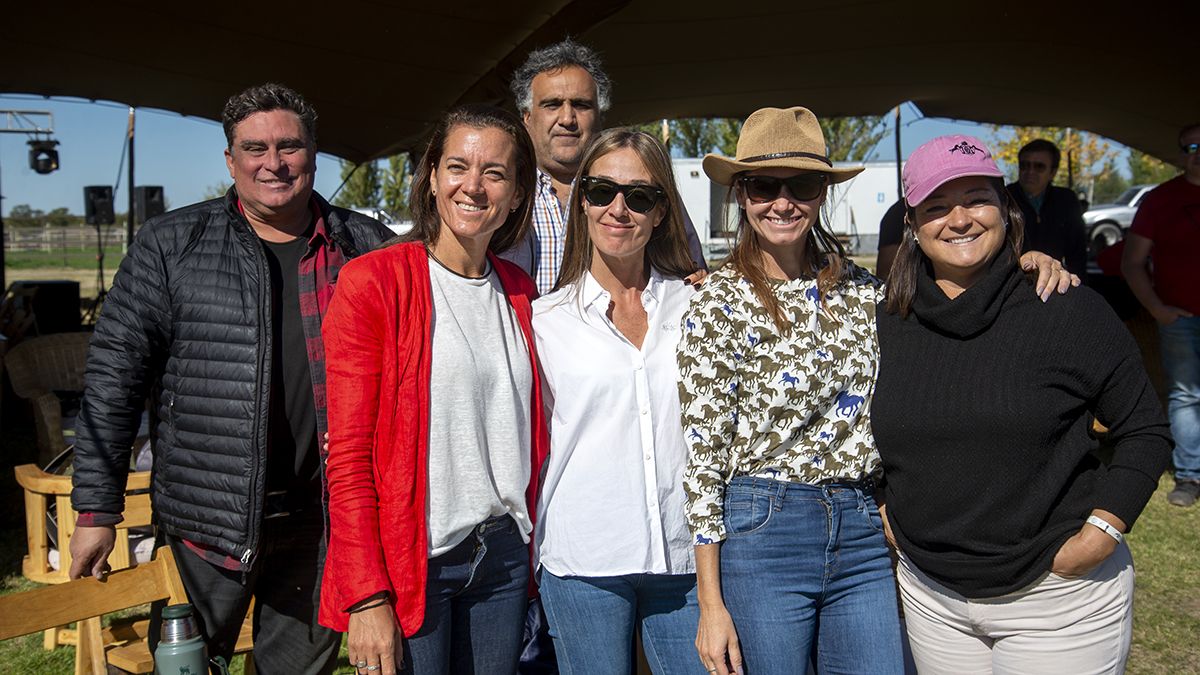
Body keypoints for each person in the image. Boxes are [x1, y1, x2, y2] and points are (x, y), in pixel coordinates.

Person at [678, 109, 1079, 675]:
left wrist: (1022, 265)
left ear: (823, 193)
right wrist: (710, 603)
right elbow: (702, 459)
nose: (783, 201)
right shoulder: (715, 300)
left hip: (865, 527)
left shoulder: (867, 292)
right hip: (762, 527)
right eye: (765, 185)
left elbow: (955, 315)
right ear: (741, 194)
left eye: (804, 184)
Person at [68, 83, 392, 671]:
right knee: (188, 663)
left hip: (321, 521)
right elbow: (114, 381)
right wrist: (96, 512)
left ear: (314, 152)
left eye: (289, 146)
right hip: (205, 522)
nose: (274, 163)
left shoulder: (369, 250)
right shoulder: (172, 244)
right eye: (255, 148)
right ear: (230, 160)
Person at [874, 135, 1172, 674]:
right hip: (931, 597)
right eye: (937, 207)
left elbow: (1144, 428)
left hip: (1056, 601)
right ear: (912, 226)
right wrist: (887, 511)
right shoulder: (887, 320)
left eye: (977, 199)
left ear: (1006, 210)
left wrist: (1101, 533)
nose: (959, 220)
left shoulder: (1064, 306)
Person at [318, 104, 548, 675]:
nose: (473, 186)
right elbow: (346, 459)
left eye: (494, 172)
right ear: (432, 178)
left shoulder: (520, 292)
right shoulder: (374, 282)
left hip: (503, 557)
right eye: (457, 167)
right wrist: (366, 594)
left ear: (517, 194)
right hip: (414, 561)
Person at [531, 128, 705, 675]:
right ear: (581, 201)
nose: (618, 209)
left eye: (641, 197)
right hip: (583, 557)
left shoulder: (699, 307)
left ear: (661, 213)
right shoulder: (543, 321)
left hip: (684, 555)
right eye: (602, 191)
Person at [504, 38, 706, 295]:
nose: (567, 119)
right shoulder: (501, 191)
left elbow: (690, 271)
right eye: (552, 104)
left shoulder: (646, 194)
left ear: (601, 116)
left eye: (581, 104)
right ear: (527, 117)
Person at [1121, 122, 1200, 507]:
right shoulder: (1160, 199)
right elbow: (1131, 261)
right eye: (1191, 146)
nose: (1197, 153)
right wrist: (1157, 308)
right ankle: (1189, 476)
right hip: (1180, 318)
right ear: (1181, 153)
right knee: (1186, 395)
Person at [1008, 138, 1088, 278]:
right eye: (1024, 165)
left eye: (1039, 166)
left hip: (1057, 280)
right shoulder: (1005, 197)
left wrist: (1077, 286)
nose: (1030, 171)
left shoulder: (1066, 200)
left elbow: (1077, 251)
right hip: (1014, 279)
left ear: (1053, 172)